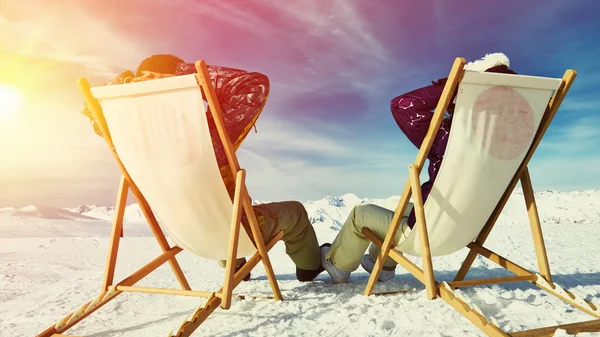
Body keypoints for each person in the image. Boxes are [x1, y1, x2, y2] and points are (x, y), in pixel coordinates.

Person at [83, 54, 327, 282]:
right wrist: (185, 75)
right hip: (234, 233)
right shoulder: (204, 137)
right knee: (295, 212)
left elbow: (91, 106)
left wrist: (127, 82)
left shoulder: (125, 137)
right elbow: (253, 86)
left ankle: (237, 266)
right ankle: (308, 268)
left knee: (210, 204)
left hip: (186, 234)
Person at [319, 53, 518, 283]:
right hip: (463, 233)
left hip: (428, 234)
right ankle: (380, 265)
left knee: (359, 214)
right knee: (405, 208)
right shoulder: (509, 146)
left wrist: (454, 88)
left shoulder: (452, 137)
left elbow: (402, 105)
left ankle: (338, 265)